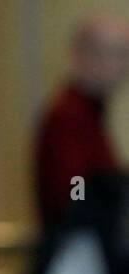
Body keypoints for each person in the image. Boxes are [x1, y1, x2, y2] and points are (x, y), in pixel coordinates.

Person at [34, 12, 129, 233]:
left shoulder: (89, 113)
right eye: (118, 54)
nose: (124, 67)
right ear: (86, 56)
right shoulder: (70, 117)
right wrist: (98, 193)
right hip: (78, 243)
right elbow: (73, 190)